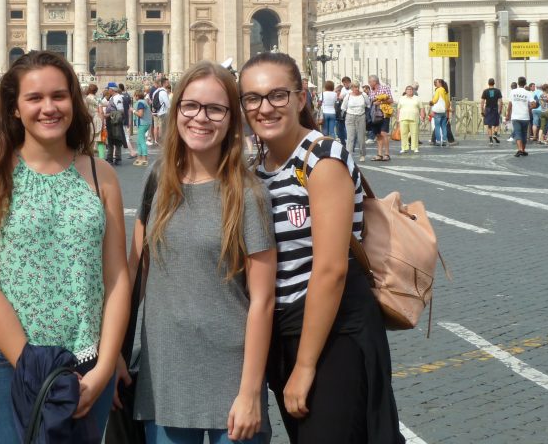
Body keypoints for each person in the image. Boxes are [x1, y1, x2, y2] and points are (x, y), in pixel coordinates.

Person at [0, 50, 129, 443]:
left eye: (59, 96)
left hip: (86, 362)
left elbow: (117, 278)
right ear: (14, 108)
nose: (48, 107)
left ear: (73, 101)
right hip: (7, 360)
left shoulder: (101, 174)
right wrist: (33, 368)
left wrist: (105, 366)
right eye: (35, 98)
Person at [239, 52, 402, 444]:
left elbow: (331, 269)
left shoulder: (322, 159)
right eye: (253, 98)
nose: (265, 107)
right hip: (286, 333)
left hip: (331, 335)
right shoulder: (259, 167)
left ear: (301, 98)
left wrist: (306, 365)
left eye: (278, 95)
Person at [128, 61, 275, 443]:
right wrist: (114, 359)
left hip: (233, 378)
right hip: (165, 376)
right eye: (191, 106)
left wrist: (250, 393)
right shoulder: (156, 180)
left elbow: (262, 300)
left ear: (231, 120)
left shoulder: (249, 195)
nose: (201, 118)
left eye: (215, 109)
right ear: (176, 109)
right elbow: (135, 278)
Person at [341, 82, 368, 161]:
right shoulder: (348, 96)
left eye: (357, 87)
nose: (356, 89)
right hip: (350, 117)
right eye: (354, 87)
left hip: (361, 116)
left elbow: (368, 104)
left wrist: (362, 109)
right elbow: (343, 107)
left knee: (361, 137)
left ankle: (362, 154)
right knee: (350, 138)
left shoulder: (364, 95)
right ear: (351, 88)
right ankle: (349, 156)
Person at [509, 76, 535, 157]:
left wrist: (507, 114)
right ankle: (523, 150)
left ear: (518, 83)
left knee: (517, 133)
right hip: (525, 116)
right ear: (525, 84)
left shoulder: (513, 92)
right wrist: (529, 107)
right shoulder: (528, 93)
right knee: (524, 134)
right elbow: (533, 104)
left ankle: (520, 149)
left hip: (515, 116)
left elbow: (510, 104)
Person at [104, 84, 127, 166]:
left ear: (112, 89)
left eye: (108, 89)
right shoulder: (112, 97)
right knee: (110, 140)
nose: (107, 90)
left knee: (117, 140)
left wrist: (109, 114)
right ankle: (109, 157)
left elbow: (121, 111)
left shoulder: (117, 98)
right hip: (111, 122)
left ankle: (118, 158)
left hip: (115, 122)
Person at [397, 84, 423, 155]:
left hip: (414, 118)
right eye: (408, 89)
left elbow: (421, 108)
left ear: (413, 91)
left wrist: (422, 115)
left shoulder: (417, 98)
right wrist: (398, 118)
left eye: (411, 89)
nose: (409, 91)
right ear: (405, 91)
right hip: (403, 118)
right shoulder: (401, 98)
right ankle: (404, 148)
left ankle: (415, 148)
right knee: (403, 134)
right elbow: (399, 109)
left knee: (414, 133)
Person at [132, 89, 152, 167]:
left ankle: (144, 159)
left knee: (142, 141)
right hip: (145, 123)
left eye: (135, 95)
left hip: (142, 123)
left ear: (137, 96)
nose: (134, 97)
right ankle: (139, 158)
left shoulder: (140, 103)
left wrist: (133, 111)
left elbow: (140, 114)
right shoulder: (144, 102)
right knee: (139, 141)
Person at [480, 78, 502, 145]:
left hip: (488, 109)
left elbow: (482, 102)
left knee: (489, 125)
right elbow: (500, 102)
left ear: (488, 83)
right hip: (495, 108)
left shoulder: (485, 91)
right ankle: (495, 133)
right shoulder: (498, 91)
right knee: (497, 123)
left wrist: (482, 110)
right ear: (494, 83)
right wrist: (500, 109)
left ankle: (490, 140)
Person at [429, 79, 450, 148]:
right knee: (444, 126)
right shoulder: (445, 90)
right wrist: (447, 109)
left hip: (438, 111)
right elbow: (447, 102)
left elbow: (435, 99)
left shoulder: (438, 90)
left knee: (437, 126)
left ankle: (438, 141)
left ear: (440, 83)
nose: (436, 84)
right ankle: (444, 141)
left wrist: (431, 102)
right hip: (444, 111)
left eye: (437, 82)